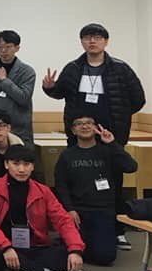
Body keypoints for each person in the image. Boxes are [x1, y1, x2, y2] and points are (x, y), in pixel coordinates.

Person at [43, 23, 146, 249]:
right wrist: (49, 88)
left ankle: (117, 229)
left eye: (97, 37)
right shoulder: (73, 68)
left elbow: (138, 99)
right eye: (88, 37)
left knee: (113, 181)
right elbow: (60, 92)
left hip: (110, 135)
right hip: (79, 133)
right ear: (82, 42)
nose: (92, 41)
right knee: (78, 179)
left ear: (105, 42)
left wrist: (119, 117)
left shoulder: (120, 69)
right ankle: (75, 227)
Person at [0, 145, 88, 271]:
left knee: (66, 253)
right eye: (16, 164)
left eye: (26, 164)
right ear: (6, 164)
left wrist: (75, 250)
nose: (21, 169)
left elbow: (63, 220)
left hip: (34, 247)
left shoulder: (43, 191)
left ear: (32, 167)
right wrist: (5, 247)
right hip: (3, 247)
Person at [54, 115, 138, 265]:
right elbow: (61, 186)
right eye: (79, 124)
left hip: (103, 210)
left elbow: (131, 167)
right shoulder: (67, 155)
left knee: (105, 257)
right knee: (70, 251)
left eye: (89, 123)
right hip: (78, 212)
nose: (84, 126)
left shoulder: (108, 151)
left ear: (95, 128)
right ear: (73, 130)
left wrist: (112, 143)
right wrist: (69, 209)